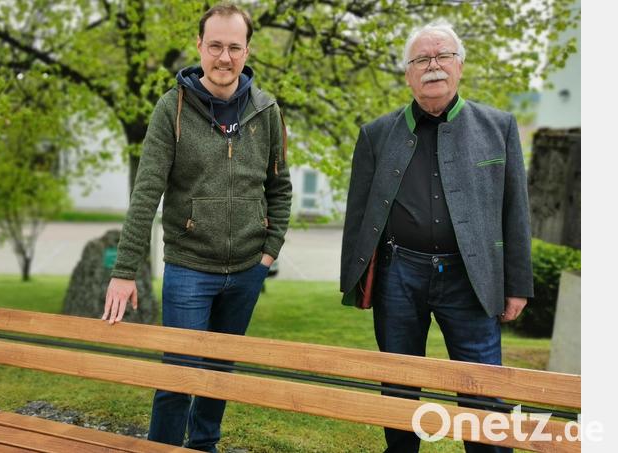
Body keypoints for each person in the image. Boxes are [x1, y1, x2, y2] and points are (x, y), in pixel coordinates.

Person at [101, 3, 292, 451]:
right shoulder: (172, 108)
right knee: (177, 376)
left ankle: (204, 445)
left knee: (219, 375)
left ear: (248, 51)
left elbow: (279, 189)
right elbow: (146, 192)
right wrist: (124, 270)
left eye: (234, 47)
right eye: (215, 46)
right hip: (189, 269)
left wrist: (268, 254)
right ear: (199, 47)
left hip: (247, 270)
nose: (224, 58)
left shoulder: (267, 111)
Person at [339, 20, 533, 453]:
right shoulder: (375, 134)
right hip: (398, 275)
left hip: (472, 277)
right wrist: (353, 280)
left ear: (459, 66)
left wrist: (518, 285)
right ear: (408, 73)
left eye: (443, 56)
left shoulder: (498, 126)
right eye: (421, 59)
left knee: (481, 387)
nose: (433, 65)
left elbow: (515, 211)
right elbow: (359, 213)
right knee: (400, 385)